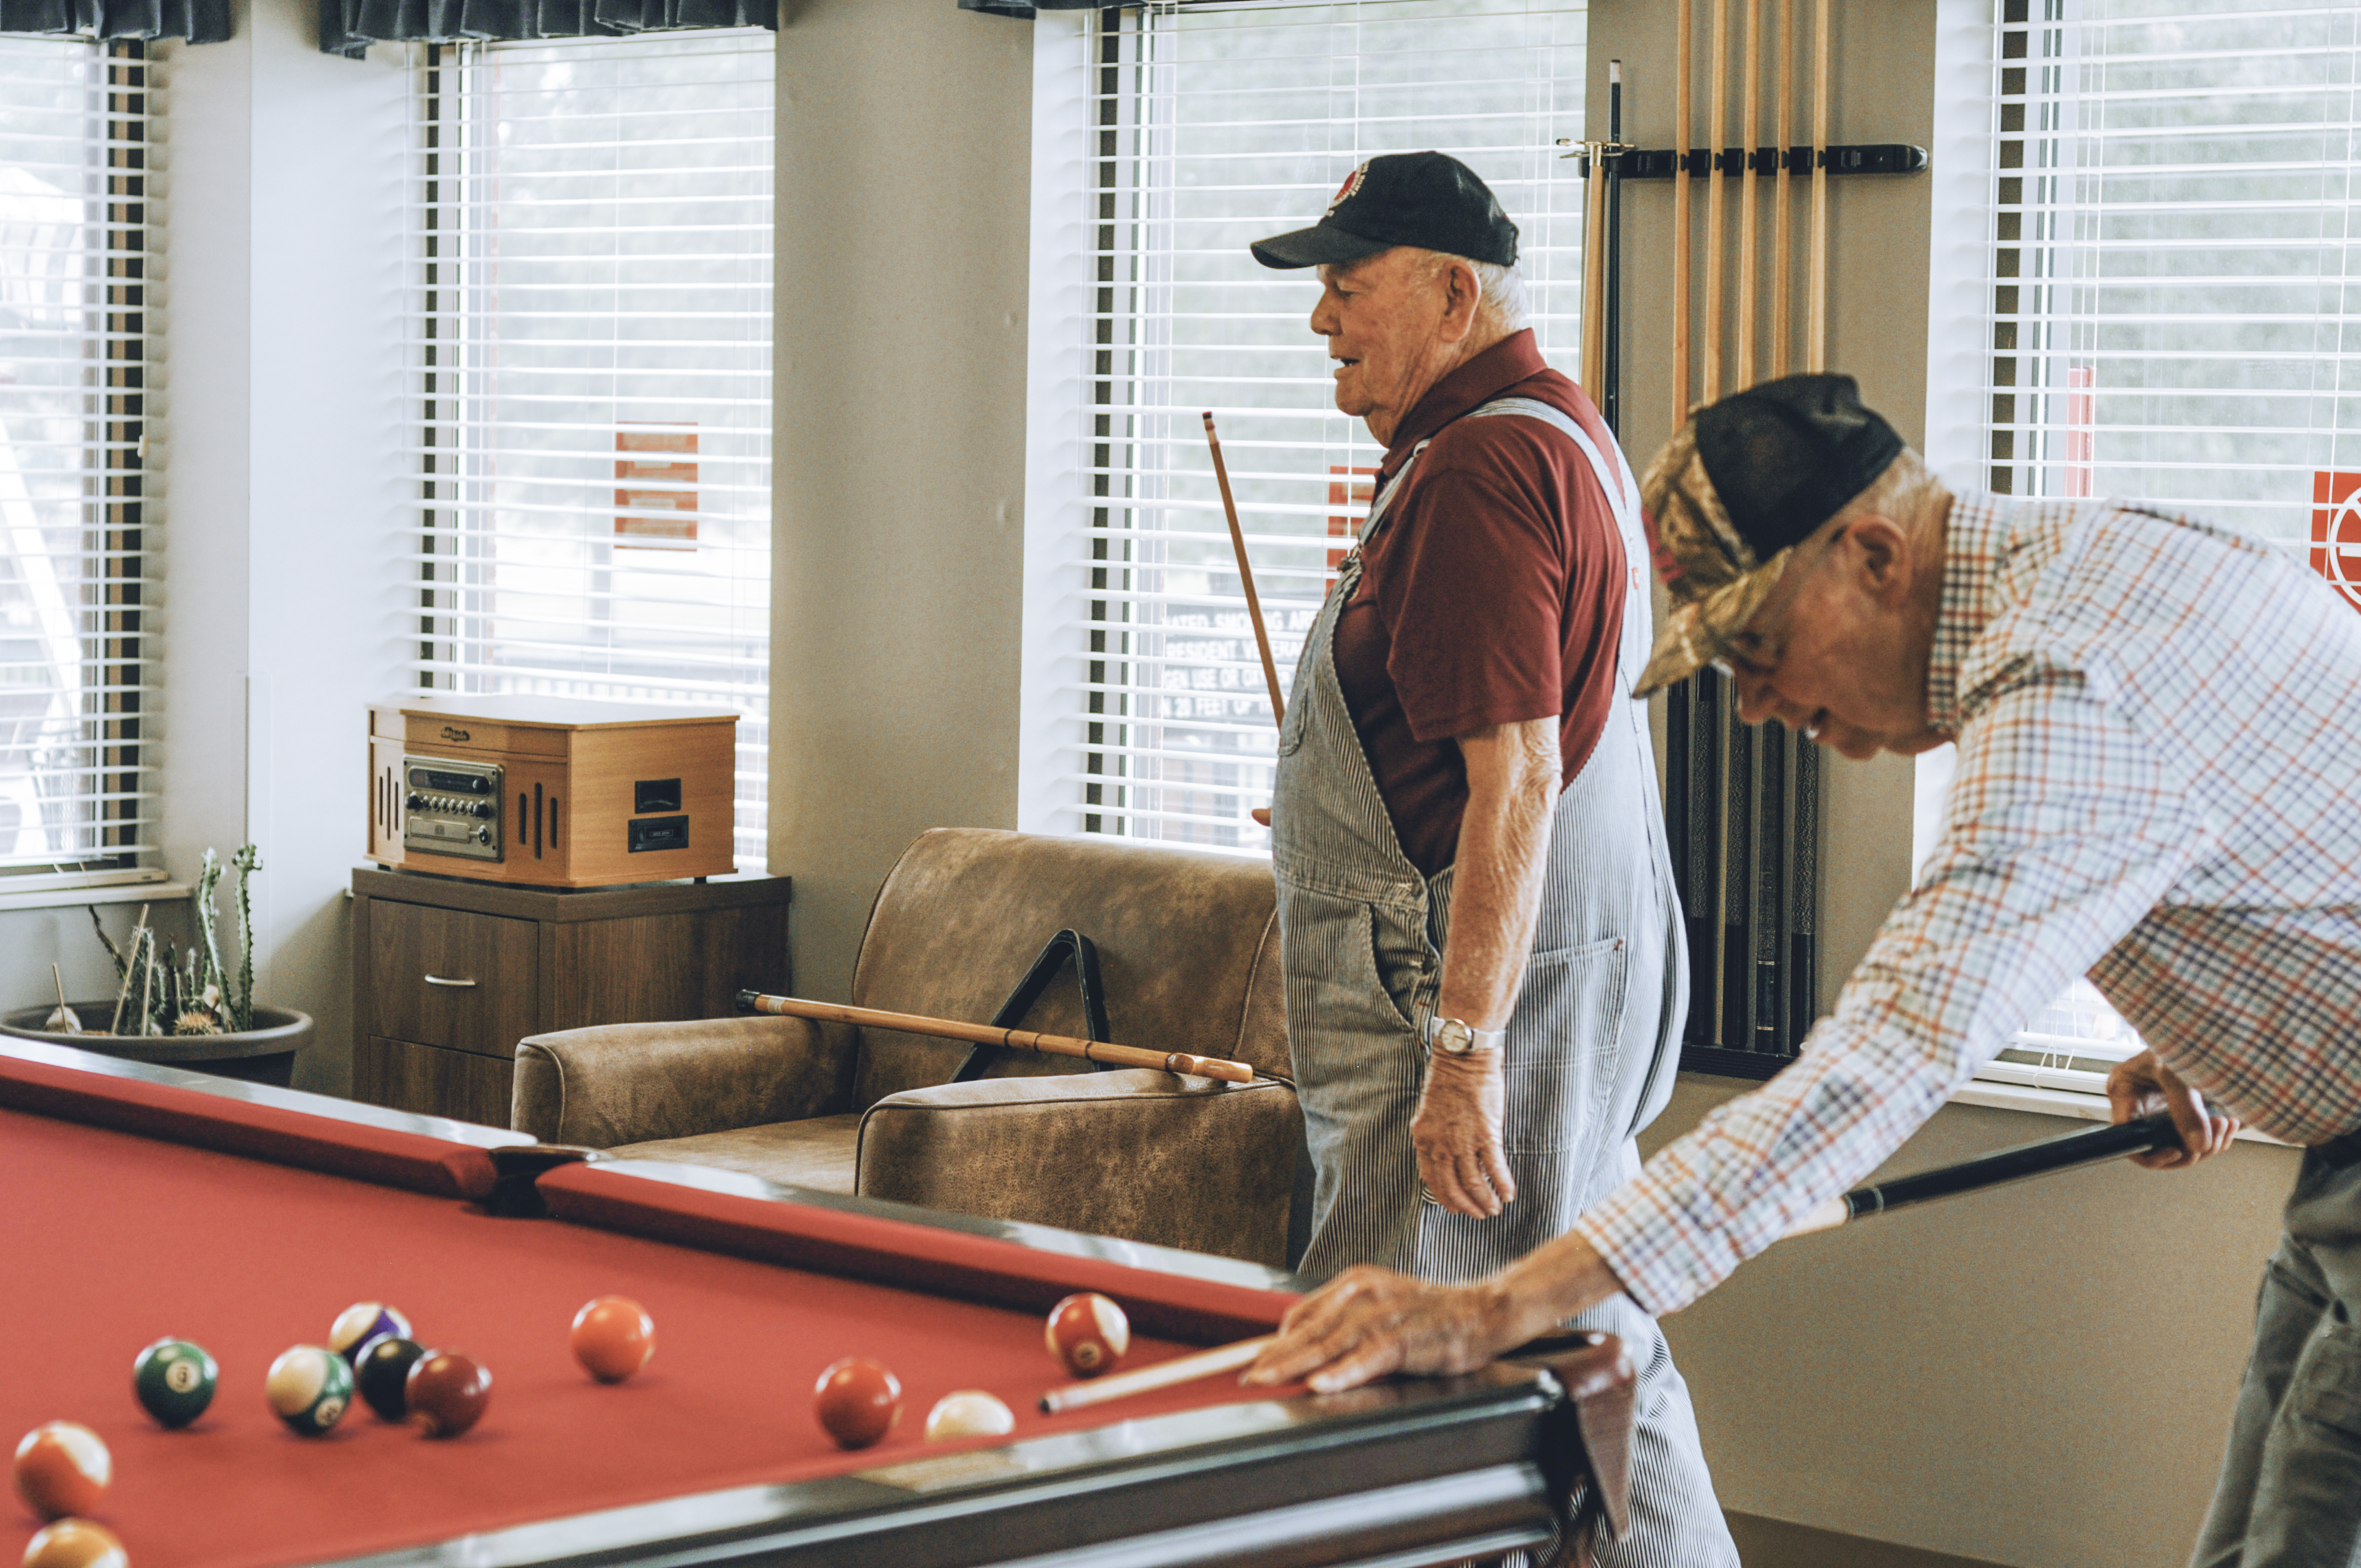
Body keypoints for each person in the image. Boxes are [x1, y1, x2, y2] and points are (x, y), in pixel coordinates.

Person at [1245, 372, 2361, 1568]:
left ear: (1873, 553)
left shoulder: (2061, 688)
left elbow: (1879, 1061)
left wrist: (1490, 1307)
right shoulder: (2099, 565)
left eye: (1761, 649)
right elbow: (2283, 825)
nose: (1764, 705)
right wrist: (2211, 1036)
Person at [1249, 151, 1737, 1565]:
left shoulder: (1474, 471)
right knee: (1573, 1322)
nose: (1322, 319)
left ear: (1450, 291)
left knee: (1415, 1359)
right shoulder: (1557, 428)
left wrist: (1462, 1054)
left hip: (1461, 1000)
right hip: (1555, 960)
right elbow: (1491, 745)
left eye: (1348, 284)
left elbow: (1516, 772)